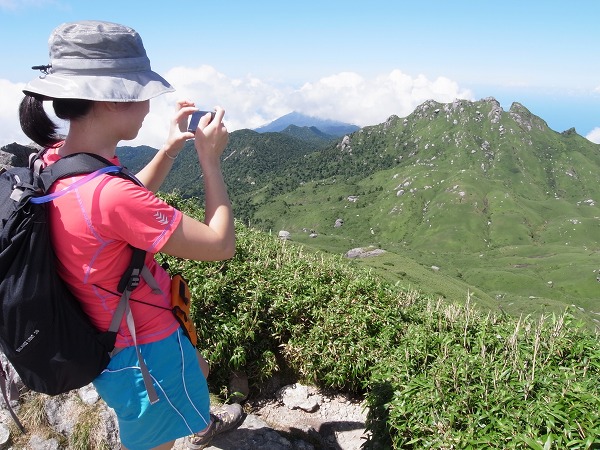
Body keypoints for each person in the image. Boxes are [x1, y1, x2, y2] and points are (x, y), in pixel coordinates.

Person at [19, 20, 244, 450]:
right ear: (109, 101)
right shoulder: (110, 194)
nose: (147, 106)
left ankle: (195, 417)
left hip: (107, 333)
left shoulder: (58, 162)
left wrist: (169, 148)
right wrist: (210, 160)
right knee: (155, 440)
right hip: (143, 350)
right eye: (142, 94)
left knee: (196, 366)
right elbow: (220, 245)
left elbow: (116, 207)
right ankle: (188, 424)